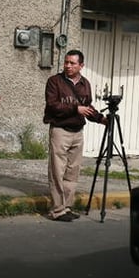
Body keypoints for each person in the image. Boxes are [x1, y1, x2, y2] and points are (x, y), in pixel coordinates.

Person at [43, 50, 106, 222]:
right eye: (66, 62)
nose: (68, 66)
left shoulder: (85, 84)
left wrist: (101, 119)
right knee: (57, 171)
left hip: (78, 132)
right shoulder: (54, 81)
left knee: (73, 171)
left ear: (81, 65)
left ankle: (67, 207)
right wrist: (74, 109)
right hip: (60, 131)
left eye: (72, 63)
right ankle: (57, 210)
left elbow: (87, 107)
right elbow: (52, 105)